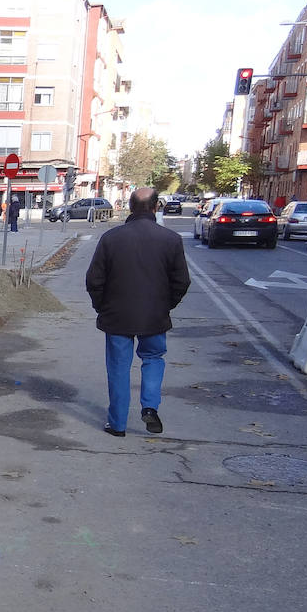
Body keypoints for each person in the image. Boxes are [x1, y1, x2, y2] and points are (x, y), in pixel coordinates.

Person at [84, 187, 190, 438]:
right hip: (154, 316)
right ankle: (150, 407)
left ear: (130, 208)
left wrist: (102, 306)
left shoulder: (111, 238)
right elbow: (182, 282)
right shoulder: (171, 239)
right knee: (153, 358)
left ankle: (118, 424)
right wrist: (167, 305)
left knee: (119, 368)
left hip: (117, 316)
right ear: (155, 208)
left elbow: (94, 280)